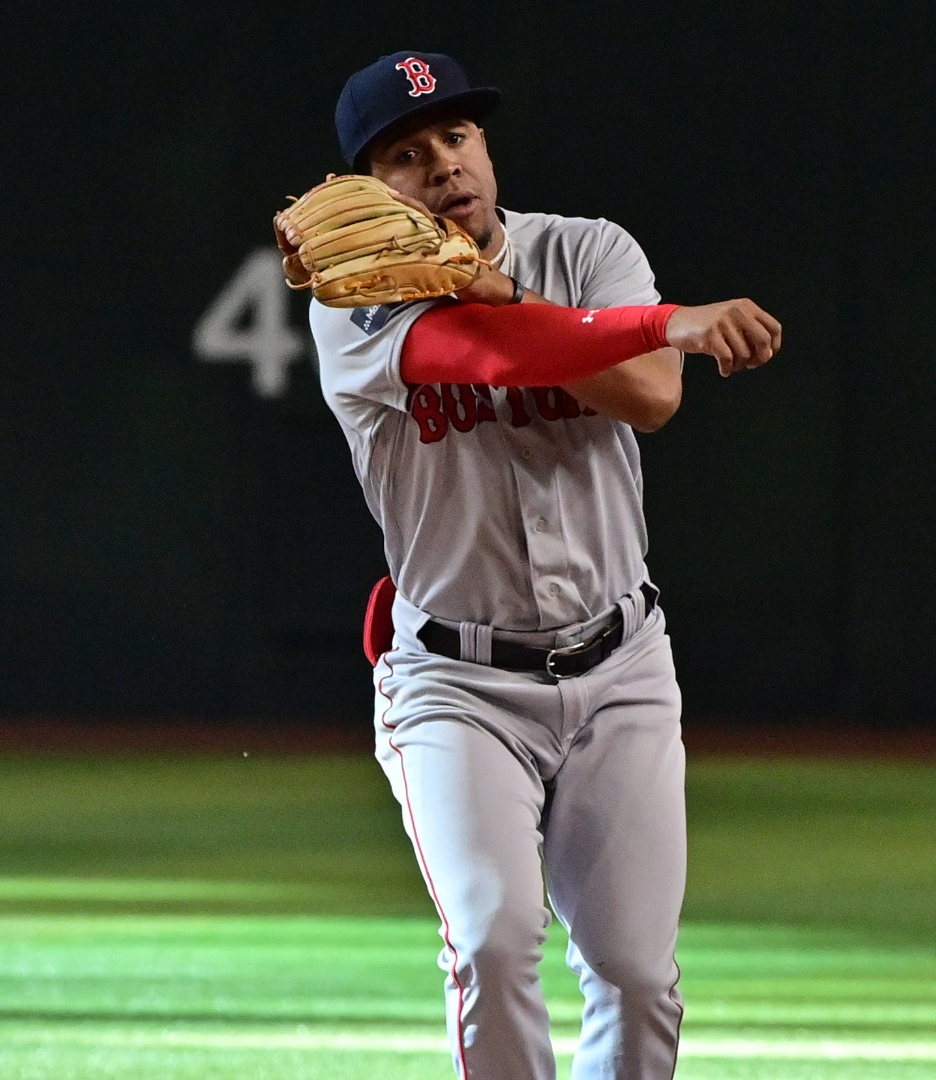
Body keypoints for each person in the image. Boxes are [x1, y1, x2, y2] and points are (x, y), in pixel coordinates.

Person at [286, 51, 780, 1080]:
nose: (445, 167)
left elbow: (650, 395)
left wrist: (525, 292)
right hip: (457, 684)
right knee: (493, 939)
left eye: (457, 137)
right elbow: (497, 356)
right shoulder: (352, 306)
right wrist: (665, 321)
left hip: (620, 670)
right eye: (407, 155)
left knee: (639, 975)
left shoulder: (590, 248)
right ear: (367, 193)